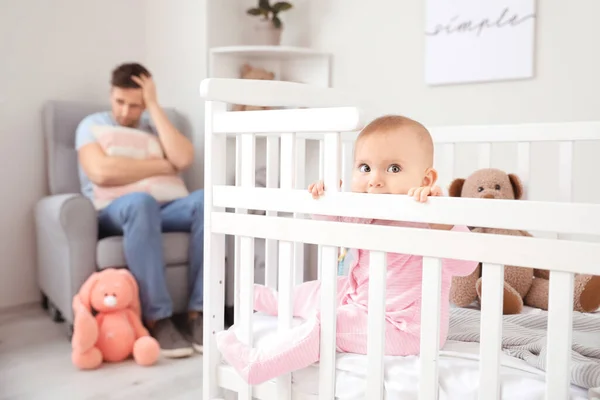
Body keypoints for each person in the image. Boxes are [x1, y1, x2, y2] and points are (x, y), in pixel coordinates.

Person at [215, 115, 480, 384]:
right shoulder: (363, 209)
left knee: (327, 323)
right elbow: (332, 228)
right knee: (322, 289)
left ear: (426, 180)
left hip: (404, 326)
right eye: (364, 168)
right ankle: (275, 300)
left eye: (394, 169)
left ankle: (257, 364)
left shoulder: (431, 217)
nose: (374, 180)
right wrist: (324, 202)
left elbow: (466, 265)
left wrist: (444, 221)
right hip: (360, 298)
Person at [75, 62, 203, 358]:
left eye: (134, 105)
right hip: (115, 211)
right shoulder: (92, 125)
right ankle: (158, 317)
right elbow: (101, 172)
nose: (124, 112)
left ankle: (201, 312)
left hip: (165, 208)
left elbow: (183, 158)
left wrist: (154, 106)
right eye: (120, 102)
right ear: (111, 95)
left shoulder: (154, 125)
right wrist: (161, 165)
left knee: (203, 201)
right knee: (141, 202)